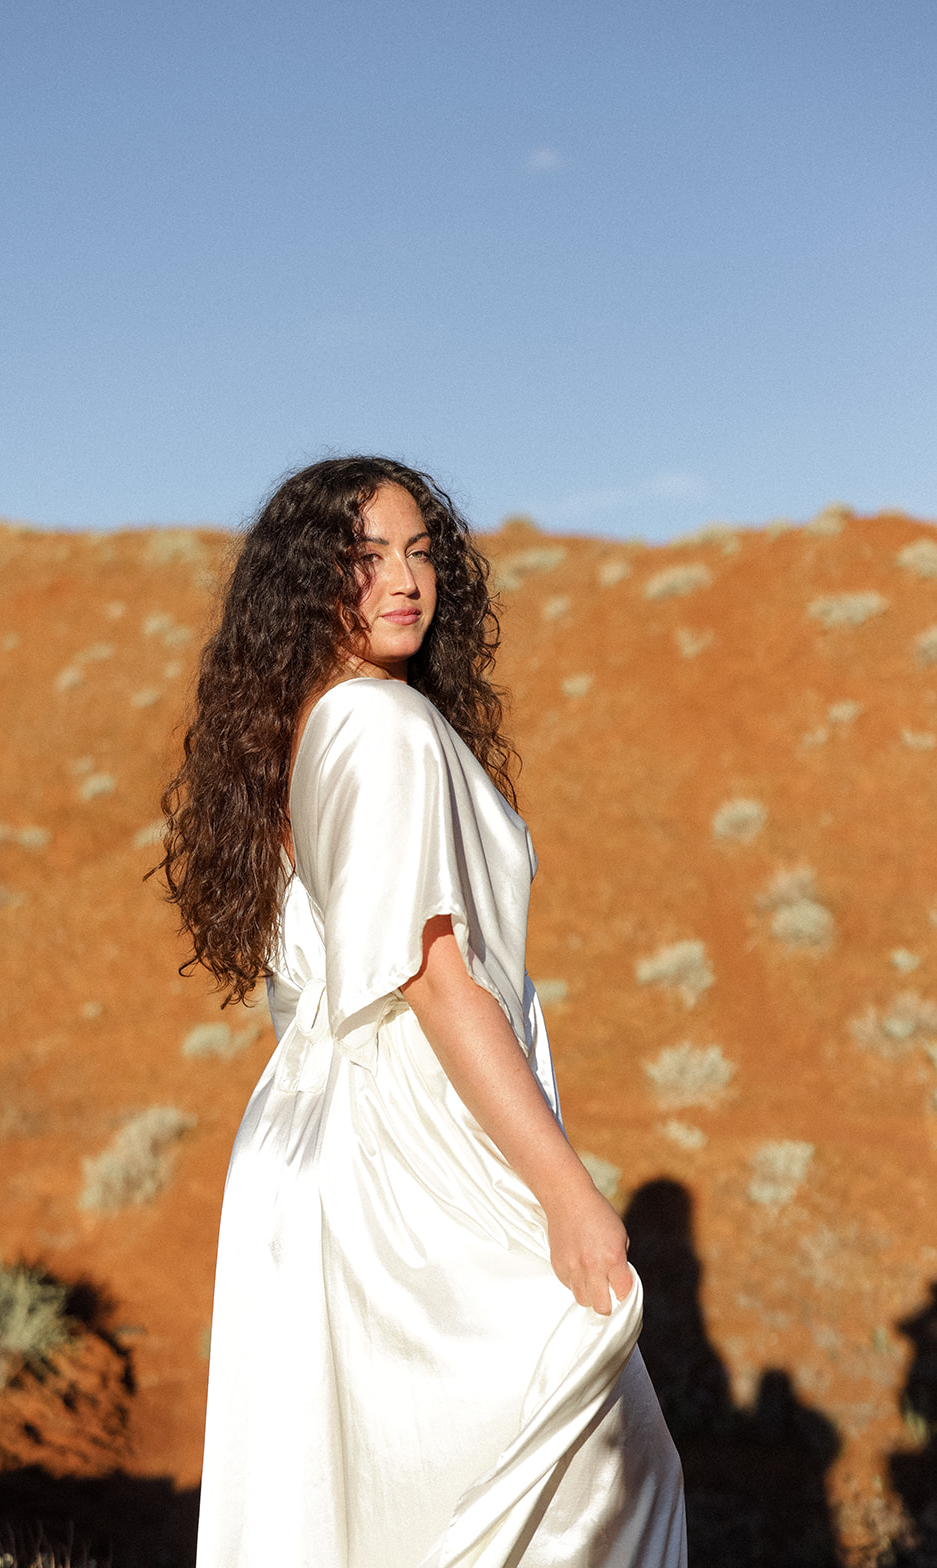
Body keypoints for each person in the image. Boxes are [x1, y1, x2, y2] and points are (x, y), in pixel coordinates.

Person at [160, 456, 686, 1568]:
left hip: (324, 1147)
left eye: (417, 551)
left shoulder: (315, 720)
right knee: (608, 1474)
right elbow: (433, 976)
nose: (403, 580)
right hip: (411, 1149)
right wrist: (566, 1194)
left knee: (380, 1500)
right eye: (363, 558)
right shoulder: (381, 728)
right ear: (312, 580)